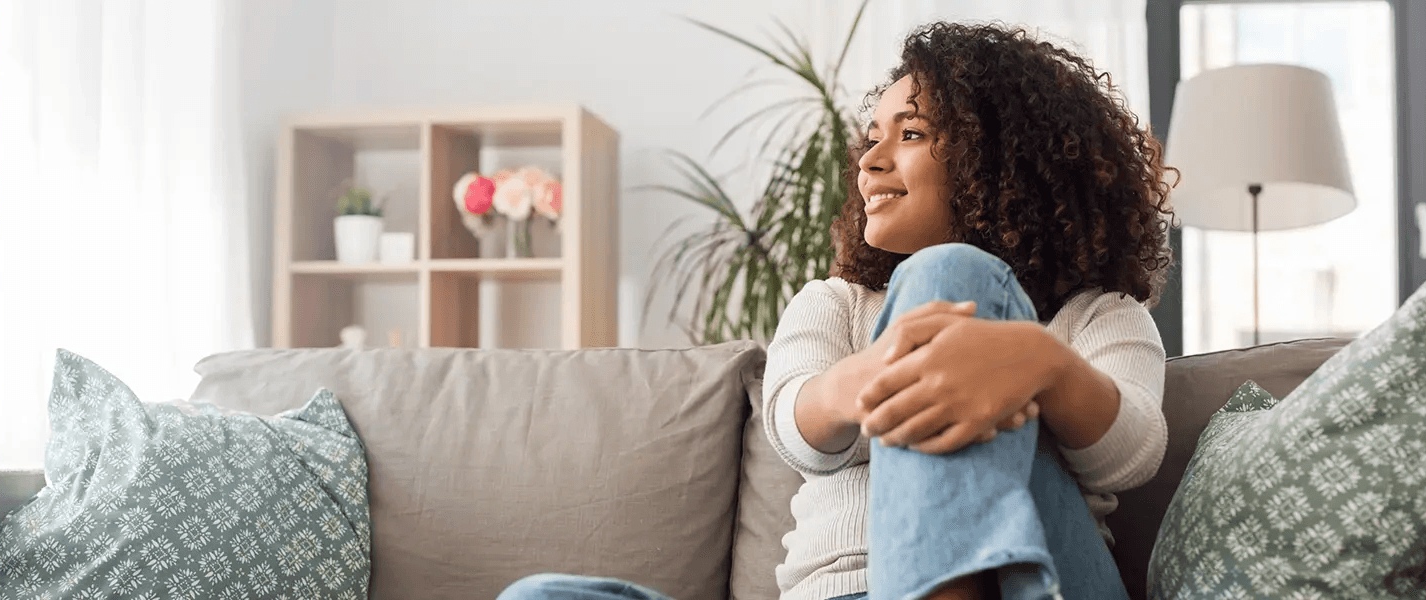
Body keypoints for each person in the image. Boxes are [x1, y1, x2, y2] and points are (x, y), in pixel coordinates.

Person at [498, 20, 1174, 600]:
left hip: (1032, 583)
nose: (869, 161)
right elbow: (796, 428)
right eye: (870, 138)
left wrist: (1041, 364)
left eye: (908, 134)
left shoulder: (1098, 317)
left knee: (948, 273)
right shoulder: (833, 304)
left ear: (1005, 157)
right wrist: (875, 371)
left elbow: (1129, 455)